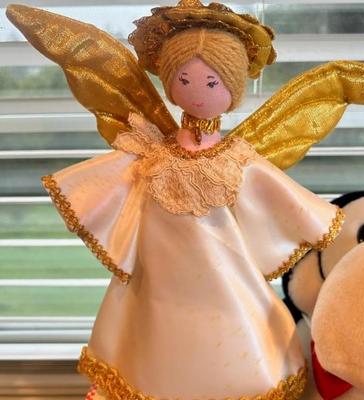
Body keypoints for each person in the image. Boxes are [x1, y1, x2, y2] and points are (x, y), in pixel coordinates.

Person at [40, 3, 344, 399]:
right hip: (157, 284)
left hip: (225, 283)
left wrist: (319, 220)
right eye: (184, 79)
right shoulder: (151, 155)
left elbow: (283, 200)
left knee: (237, 343)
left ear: (232, 86)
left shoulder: (238, 160)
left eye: (212, 82)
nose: (197, 91)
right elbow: (106, 187)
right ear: (170, 83)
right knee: (147, 342)